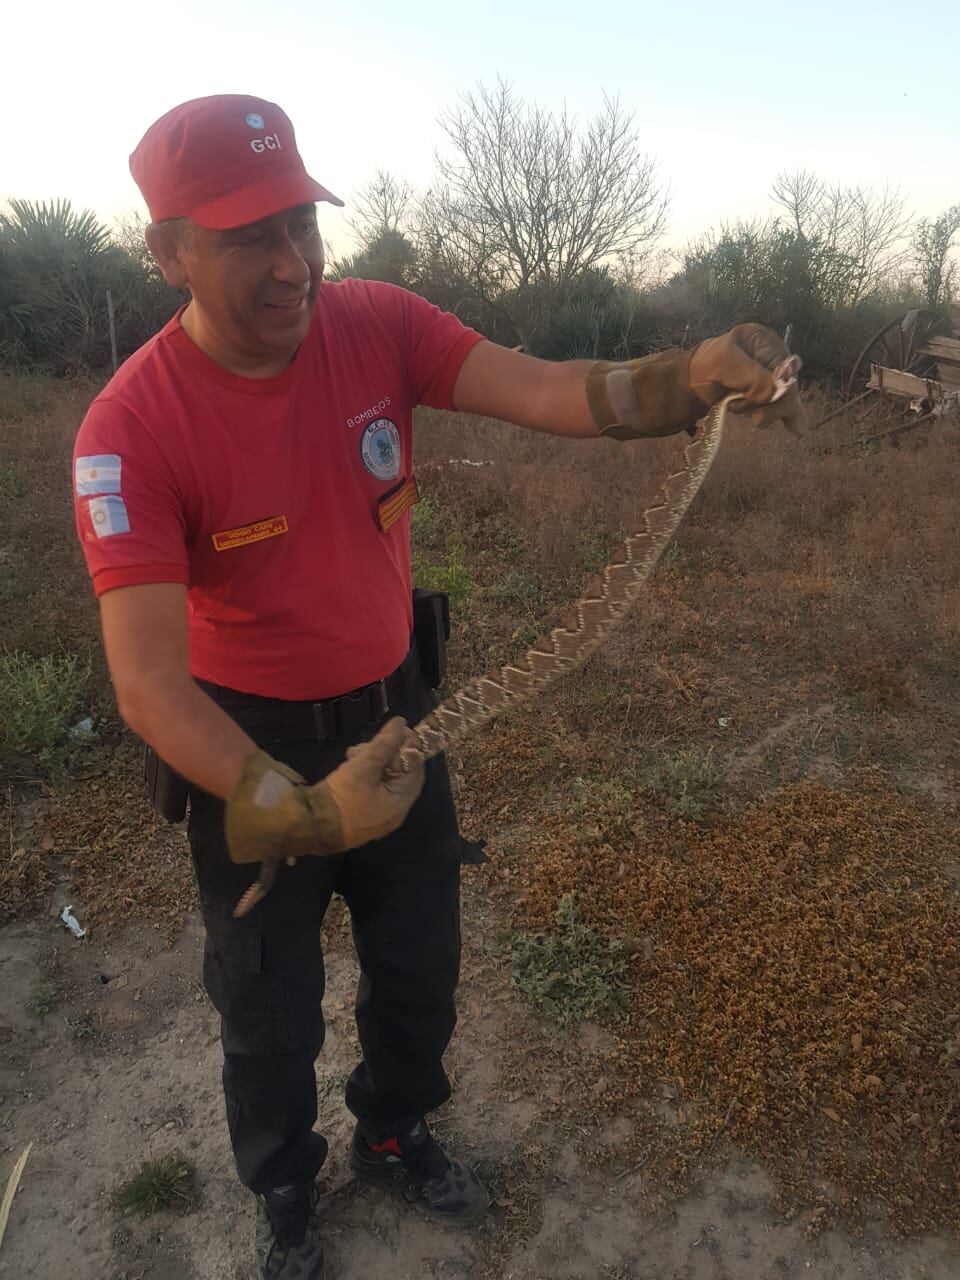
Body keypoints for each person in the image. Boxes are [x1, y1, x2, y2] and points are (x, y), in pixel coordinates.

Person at [71, 94, 807, 1280]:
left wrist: (689, 380)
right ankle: (284, 1190)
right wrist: (305, 810)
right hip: (242, 743)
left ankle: (396, 1124)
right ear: (168, 251)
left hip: (395, 712)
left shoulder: (374, 324)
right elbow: (150, 684)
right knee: (267, 1006)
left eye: (301, 222)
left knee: (419, 966)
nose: (292, 262)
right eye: (248, 234)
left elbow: (556, 389)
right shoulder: (130, 428)